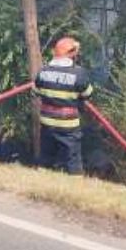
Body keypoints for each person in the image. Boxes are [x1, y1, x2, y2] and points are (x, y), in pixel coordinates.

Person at [33, 37, 96, 175]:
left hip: (47, 124)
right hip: (68, 126)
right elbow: (88, 94)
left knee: (46, 156)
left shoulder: (43, 71)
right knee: (72, 160)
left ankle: (41, 181)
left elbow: (36, 92)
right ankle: (75, 185)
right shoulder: (79, 74)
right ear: (72, 53)